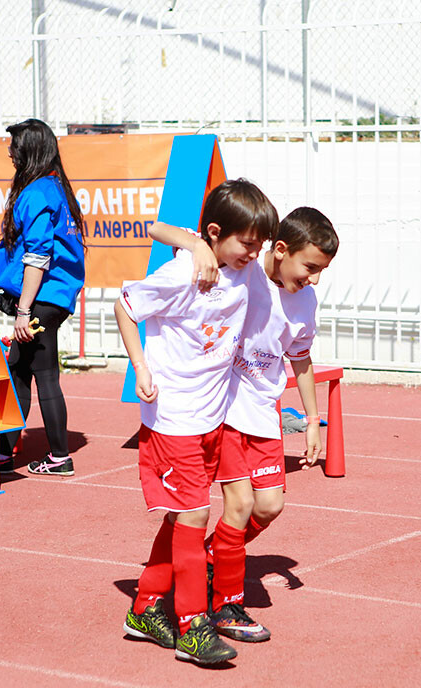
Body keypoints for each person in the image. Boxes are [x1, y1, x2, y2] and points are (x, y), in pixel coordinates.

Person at [149, 206, 338, 643]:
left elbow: (301, 359)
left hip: (264, 412)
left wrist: (312, 420)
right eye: (310, 267)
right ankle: (226, 605)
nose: (314, 279)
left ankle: (208, 557)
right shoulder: (245, 270)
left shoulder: (305, 300)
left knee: (268, 506)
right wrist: (197, 245)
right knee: (237, 505)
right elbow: (158, 228)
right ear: (280, 249)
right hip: (225, 406)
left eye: (321, 271)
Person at [115, 178, 276, 666]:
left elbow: (278, 259)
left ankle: (145, 608)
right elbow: (125, 306)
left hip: (215, 415)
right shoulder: (183, 272)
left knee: (182, 515)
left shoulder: (245, 268)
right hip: (175, 418)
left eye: (260, 245)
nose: (254, 253)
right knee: (194, 516)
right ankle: (192, 625)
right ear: (216, 234)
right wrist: (141, 367)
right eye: (247, 243)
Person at [0, 119, 85, 477]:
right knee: (19, 370)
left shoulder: (37, 193)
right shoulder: (55, 187)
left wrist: (23, 311)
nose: (10, 152)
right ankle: (4, 453)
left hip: (43, 298)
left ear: (30, 150)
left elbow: (38, 256)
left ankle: (60, 457)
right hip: (52, 296)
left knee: (43, 375)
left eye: (14, 146)